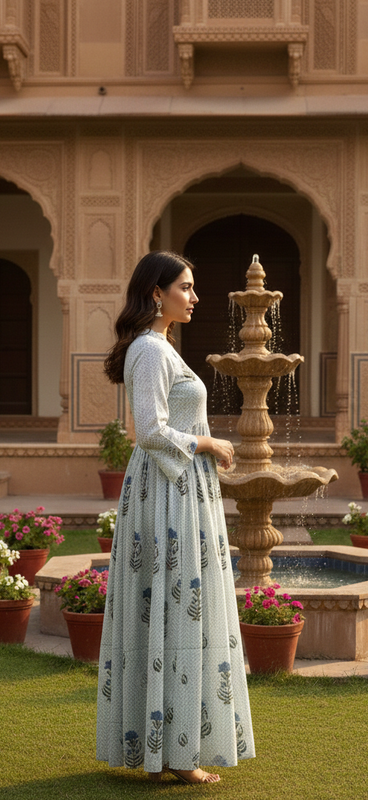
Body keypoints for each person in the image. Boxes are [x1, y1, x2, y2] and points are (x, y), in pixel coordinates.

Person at [96, 251, 255, 785]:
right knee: (173, 609)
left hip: (180, 491)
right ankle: (175, 756)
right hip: (166, 494)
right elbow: (149, 431)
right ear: (156, 292)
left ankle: (174, 750)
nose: (193, 296)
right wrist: (209, 441)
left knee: (177, 609)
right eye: (185, 287)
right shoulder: (149, 349)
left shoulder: (160, 348)